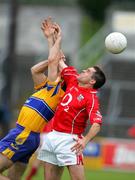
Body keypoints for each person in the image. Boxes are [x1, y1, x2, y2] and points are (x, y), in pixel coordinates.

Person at [38, 22, 106, 180]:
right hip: (53, 135)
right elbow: (58, 58)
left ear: (92, 82)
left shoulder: (91, 98)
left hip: (69, 140)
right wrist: (54, 37)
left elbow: (97, 123)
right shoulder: (73, 79)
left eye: (88, 71)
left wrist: (85, 140)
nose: (84, 70)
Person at [0, 18, 64, 180]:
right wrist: (51, 40)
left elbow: (52, 61)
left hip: (24, 134)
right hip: (27, 136)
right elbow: (35, 70)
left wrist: (57, 43)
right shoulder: (46, 88)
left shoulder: (57, 92)